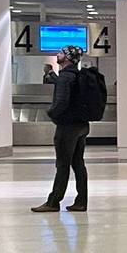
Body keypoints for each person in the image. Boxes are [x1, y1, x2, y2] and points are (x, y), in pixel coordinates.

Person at [31, 46, 90, 213]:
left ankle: (53, 202)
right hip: (82, 125)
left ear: (68, 57)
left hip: (67, 127)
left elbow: (61, 102)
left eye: (61, 52)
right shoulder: (77, 75)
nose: (58, 54)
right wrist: (52, 77)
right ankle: (81, 201)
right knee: (78, 163)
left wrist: (51, 114)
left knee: (62, 165)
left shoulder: (66, 78)